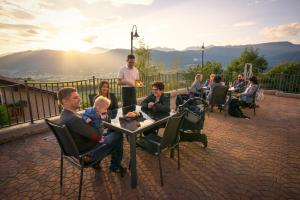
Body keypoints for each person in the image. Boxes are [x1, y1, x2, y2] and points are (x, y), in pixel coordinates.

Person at [58, 87, 125, 173]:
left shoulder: (64, 115)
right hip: (88, 155)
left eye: (78, 96)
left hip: (80, 148)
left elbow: (88, 132)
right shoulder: (73, 119)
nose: (79, 99)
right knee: (118, 135)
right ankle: (114, 166)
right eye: (75, 98)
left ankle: (104, 164)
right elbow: (98, 136)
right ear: (64, 101)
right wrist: (100, 119)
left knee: (111, 132)